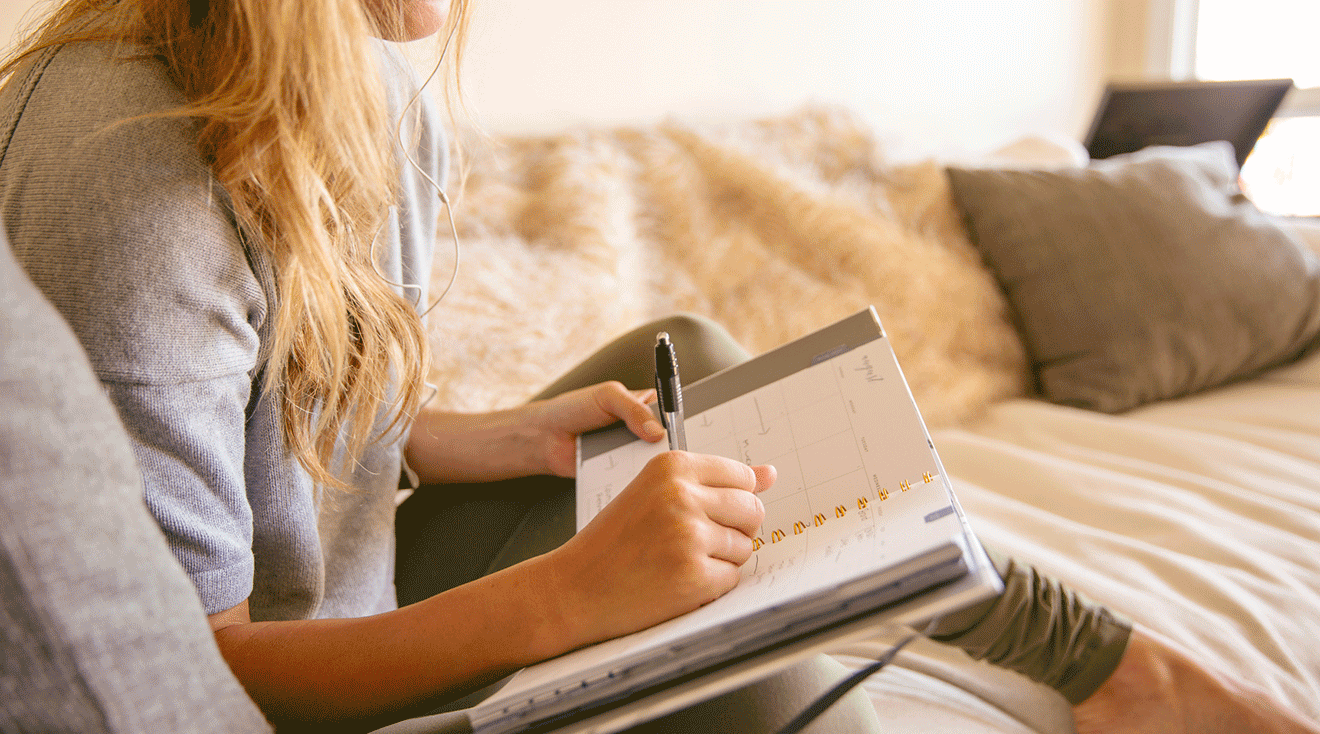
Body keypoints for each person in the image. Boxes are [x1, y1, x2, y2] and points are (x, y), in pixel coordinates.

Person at [0, 1, 1314, 733]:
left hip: (355, 596)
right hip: (284, 694)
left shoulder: (359, 71)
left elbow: (287, 400)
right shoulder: (132, 173)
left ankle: (1102, 664)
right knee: (730, 650)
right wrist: (572, 597)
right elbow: (182, 664)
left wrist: (482, 434)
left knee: (693, 369)